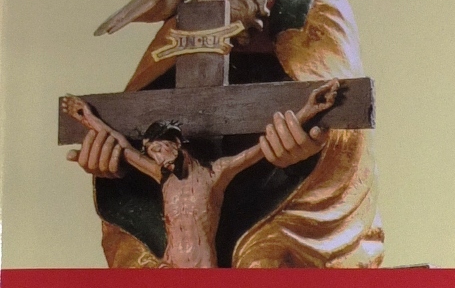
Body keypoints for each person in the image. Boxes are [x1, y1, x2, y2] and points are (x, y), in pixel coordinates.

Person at [72, 0, 383, 270]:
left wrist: (311, 146)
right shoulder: (182, 23)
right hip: (185, 214)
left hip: (286, 212)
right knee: (143, 273)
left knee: (263, 270)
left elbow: (346, 119)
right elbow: (132, 121)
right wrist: (112, 161)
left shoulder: (312, 6)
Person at [65, 82, 336, 268]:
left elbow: (260, 150)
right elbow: (123, 147)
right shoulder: (162, 176)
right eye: (151, 152)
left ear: (176, 144)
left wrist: (308, 109)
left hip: (205, 268)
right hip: (168, 267)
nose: (156, 157)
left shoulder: (215, 174)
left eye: (159, 149)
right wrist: (87, 117)